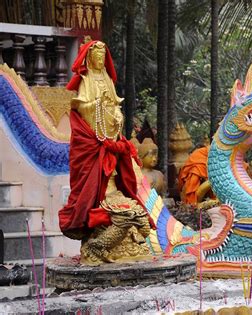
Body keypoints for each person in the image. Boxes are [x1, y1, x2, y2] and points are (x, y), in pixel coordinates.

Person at [58, 39, 154, 265]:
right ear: (90, 58)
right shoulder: (86, 79)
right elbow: (82, 106)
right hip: (94, 136)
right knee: (96, 178)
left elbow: (115, 104)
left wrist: (115, 113)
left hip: (109, 133)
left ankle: (120, 218)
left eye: (103, 56)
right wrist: (97, 105)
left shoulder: (107, 79)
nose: (100, 60)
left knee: (117, 174)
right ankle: (97, 240)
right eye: (97, 56)